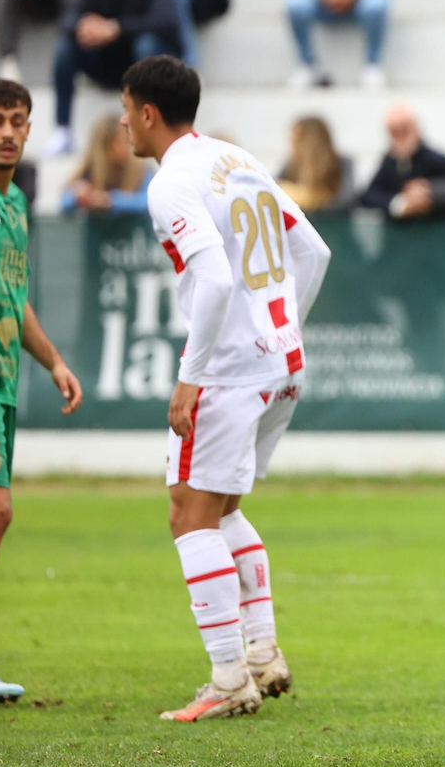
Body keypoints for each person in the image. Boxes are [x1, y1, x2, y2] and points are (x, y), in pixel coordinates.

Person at [128, 56, 331, 723]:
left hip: (230, 370)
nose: (124, 123)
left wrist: (191, 377)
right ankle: (262, 653)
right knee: (220, 509)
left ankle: (227, 678)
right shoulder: (236, 159)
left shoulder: (171, 182)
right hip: (282, 362)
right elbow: (315, 252)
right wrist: (282, 327)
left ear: (147, 112)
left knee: (189, 514)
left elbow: (214, 279)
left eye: (126, 110)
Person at [0, 77, 85, 706]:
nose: (7, 133)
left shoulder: (17, 205)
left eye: (17, 121)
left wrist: (53, 361)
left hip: (4, 383)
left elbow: (16, 298)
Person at [45, 0, 180, 159]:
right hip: (104, 62)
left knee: (146, 45)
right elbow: (68, 18)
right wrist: (85, 26)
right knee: (65, 48)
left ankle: (148, 126)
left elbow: (165, 20)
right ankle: (63, 130)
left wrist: (117, 28)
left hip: (140, 63)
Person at [360, 103, 445, 219]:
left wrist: (429, 191)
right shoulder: (389, 163)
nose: (400, 136)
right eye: (395, 131)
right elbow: (368, 195)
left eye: (404, 129)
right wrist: (399, 203)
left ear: (415, 128)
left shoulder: (435, 159)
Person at [62, 113, 151, 214]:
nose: (127, 147)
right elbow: (64, 201)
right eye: (122, 141)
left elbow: (148, 201)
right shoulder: (89, 168)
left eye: (129, 141)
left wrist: (110, 200)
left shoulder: (139, 169)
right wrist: (78, 195)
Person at [277, 115, 355, 212]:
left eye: (296, 139)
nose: (292, 144)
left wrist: (310, 200)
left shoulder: (341, 164)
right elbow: (274, 189)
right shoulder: (291, 164)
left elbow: (345, 201)